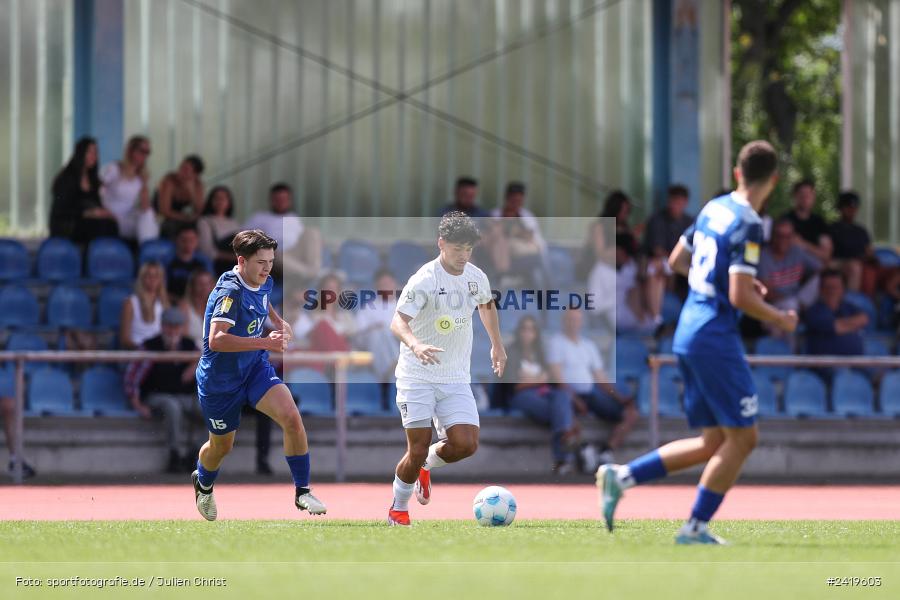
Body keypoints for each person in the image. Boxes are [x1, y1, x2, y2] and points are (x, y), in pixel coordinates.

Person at [598, 140, 798, 545]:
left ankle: (622, 477)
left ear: (738, 173)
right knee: (744, 438)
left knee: (714, 442)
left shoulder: (715, 207)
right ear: (773, 181)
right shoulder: (751, 223)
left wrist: (727, 281)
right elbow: (741, 298)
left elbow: (677, 262)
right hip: (715, 336)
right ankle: (695, 526)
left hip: (689, 330)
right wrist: (780, 317)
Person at [192, 229, 326, 521]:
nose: (267, 268)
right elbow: (216, 339)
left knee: (291, 417)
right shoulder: (230, 293)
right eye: (261, 262)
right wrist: (267, 341)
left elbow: (264, 300)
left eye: (270, 261)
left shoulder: (262, 280)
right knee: (221, 447)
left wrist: (279, 321)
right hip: (220, 380)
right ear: (241, 261)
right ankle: (203, 482)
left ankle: (302, 492)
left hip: (254, 368)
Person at [387, 212, 506, 526]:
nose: (463, 255)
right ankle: (398, 508)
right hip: (417, 375)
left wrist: (497, 344)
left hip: (454, 377)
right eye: (457, 249)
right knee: (417, 447)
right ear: (441, 244)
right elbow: (398, 322)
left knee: (466, 444)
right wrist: (415, 345)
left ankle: (425, 466)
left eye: (468, 249)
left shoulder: (476, 276)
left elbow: (487, 305)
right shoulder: (425, 279)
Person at [547, 308, 638, 469]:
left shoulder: (588, 345)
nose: (573, 323)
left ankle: (607, 451)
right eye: (570, 319)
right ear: (563, 322)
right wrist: (575, 399)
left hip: (591, 394)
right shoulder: (556, 342)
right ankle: (581, 451)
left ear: (581, 322)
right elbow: (558, 379)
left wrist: (619, 398)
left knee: (630, 413)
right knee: (566, 413)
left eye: (576, 320)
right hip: (569, 395)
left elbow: (600, 377)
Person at [125, 307, 201, 473]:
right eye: (169, 326)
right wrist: (137, 404)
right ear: (162, 326)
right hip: (156, 395)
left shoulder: (190, 346)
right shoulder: (150, 345)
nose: (173, 330)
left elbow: (208, 365)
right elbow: (132, 378)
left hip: (184, 395)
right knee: (172, 406)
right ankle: (174, 454)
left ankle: (195, 453)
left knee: (213, 411)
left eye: (177, 326)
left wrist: (195, 365)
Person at [503, 316, 579, 473]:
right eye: (524, 329)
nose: (527, 333)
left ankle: (563, 440)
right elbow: (515, 386)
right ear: (519, 331)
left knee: (562, 396)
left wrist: (533, 379)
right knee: (561, 412)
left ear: (536, 333)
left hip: (543, 393)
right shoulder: (510, 351)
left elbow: (550, 379)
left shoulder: (540, 352)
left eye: (531, 329)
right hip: (521, 396)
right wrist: (538, 380)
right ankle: (565, 444)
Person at [245, 183, 322, 282]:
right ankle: (312, 274)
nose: (281, 202)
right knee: (273, 254)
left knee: (313, 232)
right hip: (275, 254)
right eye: (278, 199)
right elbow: (244, 238)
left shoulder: (294, 218)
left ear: (289, 201)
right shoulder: (259, 217)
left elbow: (306, 240)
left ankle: (312, 271)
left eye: (284, 199)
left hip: (296, 253)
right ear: (271, 200)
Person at [49, 136, 119, 244]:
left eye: (95, 152)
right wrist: (89, 213)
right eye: (90, 152)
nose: (94, 156)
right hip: (67, 223)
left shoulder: (93, 179)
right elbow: (61, 210)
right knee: (100, 227)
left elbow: (96, 205)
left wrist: (105, 213)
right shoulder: (66, 178)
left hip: (86, 222)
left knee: (111, 224)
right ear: (81, 153)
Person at [757, 218, 822, 330]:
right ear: (772, 236)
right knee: (790, 306)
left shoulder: (797, 251)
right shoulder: (763, 256)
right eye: (780, 236)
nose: (783, 240)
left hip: (798, 301)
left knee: (822, 280)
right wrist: (792, 302)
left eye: (788, 236)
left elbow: (821, 268)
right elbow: (768, 294)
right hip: (774, 307)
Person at [99, 135, 159, 244]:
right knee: (149, 226)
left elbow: (145, 206)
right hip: (111, 216)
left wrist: (144, 184)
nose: (145, 155)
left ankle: (148, 252)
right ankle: (148, 253)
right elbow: (98, 191)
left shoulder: (140, 176)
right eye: (142, 151)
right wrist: (105, 211)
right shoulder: (114, 168)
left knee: (149, 214)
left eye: (148, 152)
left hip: (127, 217)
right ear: (131, 150)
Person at [803, 269, 867, 358]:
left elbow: (864, 319)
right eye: (828, 287)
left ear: (842, 289)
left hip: (855, 364)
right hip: (826, 365)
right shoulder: (814, 311)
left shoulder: (848, 307)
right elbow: (836, 327)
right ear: (820, 289)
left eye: (836, 287)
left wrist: (842, 324)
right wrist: (853, 325)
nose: (832, 291)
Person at [829, 191, 874, 292]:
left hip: (858, 263)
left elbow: (869, 252)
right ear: (840, 208)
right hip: (837, 261)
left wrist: (867, 257)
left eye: (854, 207)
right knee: (853, 267)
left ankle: (857, 301)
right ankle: (851, 301)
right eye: (848, 207)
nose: (851, 210)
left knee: (861, 267)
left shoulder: (861, 230)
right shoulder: (832, 228)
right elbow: (828, 252)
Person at [120, 262, 170, 350]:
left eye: (156, 276)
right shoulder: (130, 303)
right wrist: (143, 349)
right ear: (142, 278)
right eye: (148, 276)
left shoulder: (164, 303)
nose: (152, 279)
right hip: (138, 351)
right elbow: (125, 339)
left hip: (159, 352)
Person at [782, 180, 832, 262]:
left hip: (814, 268)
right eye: (801, 194)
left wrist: (803, 244)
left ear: (813, 197)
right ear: (795, 196)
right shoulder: (785, 220)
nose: (805, 198)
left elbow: (826, 255)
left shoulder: (819, 222)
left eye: (809, 194)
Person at [157, 155, 205, 239]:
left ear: (195, 174)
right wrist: (185, 218)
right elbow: (164, 210)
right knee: (171, 227)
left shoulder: (197, 185)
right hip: (165, 218)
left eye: (186, 170)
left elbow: (200, 211)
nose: (180, 171)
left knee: (201, 226)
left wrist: (192, 191)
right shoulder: (169, 181)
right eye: (181, 167)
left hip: (183, 218)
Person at [197, 185, 241, 275]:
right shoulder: (205, 221)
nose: (220, 201)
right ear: (211, 201)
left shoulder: (233, 222)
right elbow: (207, 251)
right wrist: (233, 257)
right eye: (217, 198)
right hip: (218, 265)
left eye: (224, 198)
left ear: (229, 202)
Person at [643, 184, 694, 260]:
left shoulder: (690, 222)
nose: (674, 206)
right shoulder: (657, 220)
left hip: (683, 263)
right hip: (660, 262)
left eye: (678, 203)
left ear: (685, 202)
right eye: (672, 201)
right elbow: (657, 250)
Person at [166, 225, 212, 301]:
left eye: (192, 240)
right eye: (184, 240)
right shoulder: (167, 261)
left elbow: (211, 287)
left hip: (199, 304)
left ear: (197, 241)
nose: (188, 243)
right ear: (176, 240)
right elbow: (161, 289)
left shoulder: (204, 262)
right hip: (173, 304)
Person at [180, 269, 216, 347]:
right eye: (200, 284)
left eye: (207, 284)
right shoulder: (184, 306)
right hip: (191, 351)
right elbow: (183, 337)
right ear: (193, 286)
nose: (204, 287)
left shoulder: (217, 306)